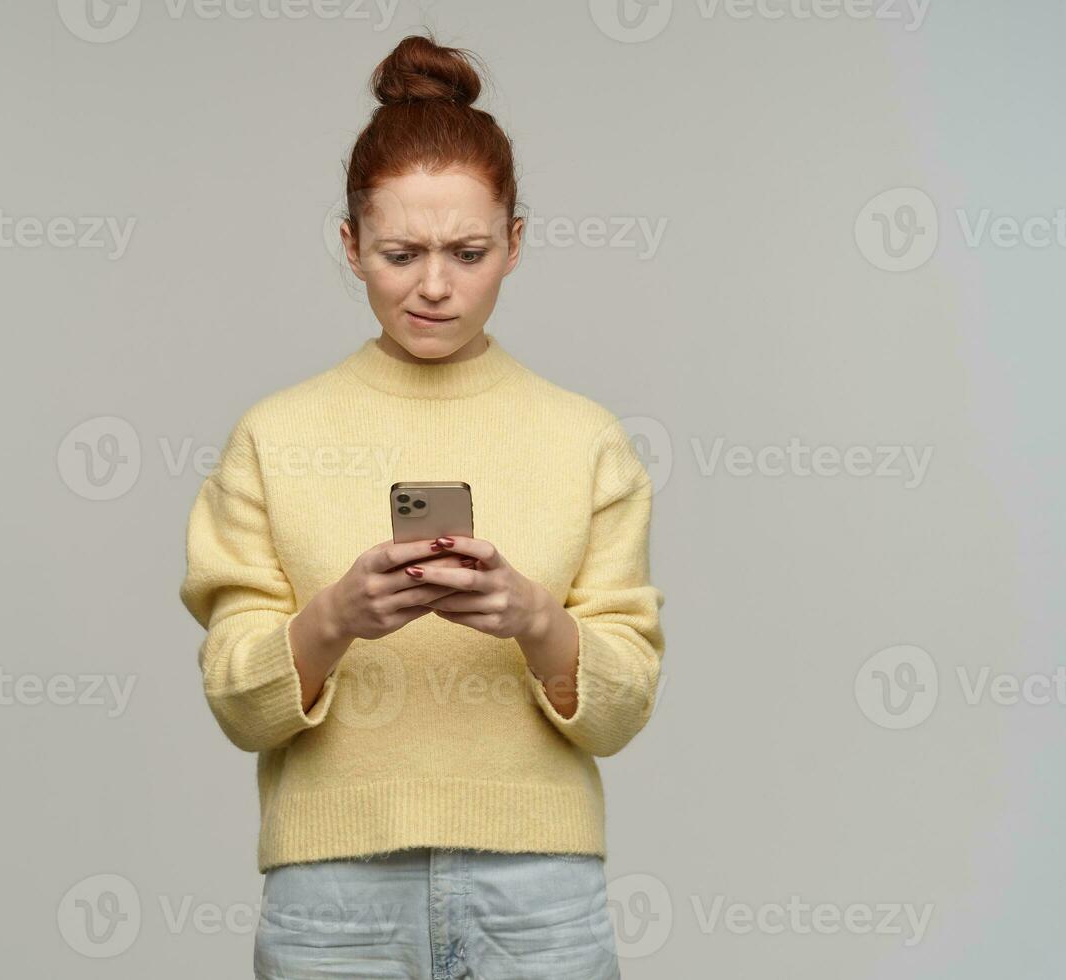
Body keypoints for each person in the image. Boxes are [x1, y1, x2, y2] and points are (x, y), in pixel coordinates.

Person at [179, 30, 665, 980]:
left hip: (540, 894)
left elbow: (624, 704)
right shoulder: (274, 435)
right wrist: (333, 621)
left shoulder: (585, 437)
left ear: (516, 244)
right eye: (401, 253)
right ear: (351, 245)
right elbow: (237, 700)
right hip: (332, 897)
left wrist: (533, 620)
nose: (435, 286)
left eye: (469, 251)